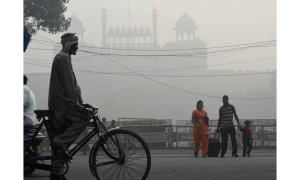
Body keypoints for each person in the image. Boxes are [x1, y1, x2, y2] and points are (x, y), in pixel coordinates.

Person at [48, 33, 89, 180]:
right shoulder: (63, 58)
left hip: (64, 102)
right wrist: (78, 106)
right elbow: (69, 85)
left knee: (58, 136)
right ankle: (62, 143)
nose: (77, 47)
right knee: (85, 118)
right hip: (62, 103)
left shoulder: (65, 58)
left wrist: (80, 102)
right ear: (69, 45)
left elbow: (74, 86)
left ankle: (56, 173)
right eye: (75, 44)